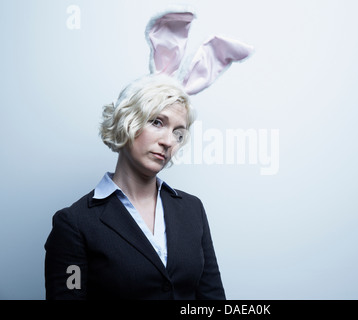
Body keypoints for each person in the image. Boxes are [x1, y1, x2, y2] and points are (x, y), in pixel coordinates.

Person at [44, 8, 252, 300]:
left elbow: (212, 300)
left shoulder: (192, 210)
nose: (169, 141)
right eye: (158, 122)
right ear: (127, 120)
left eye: (179, 133)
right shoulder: (75, 224)